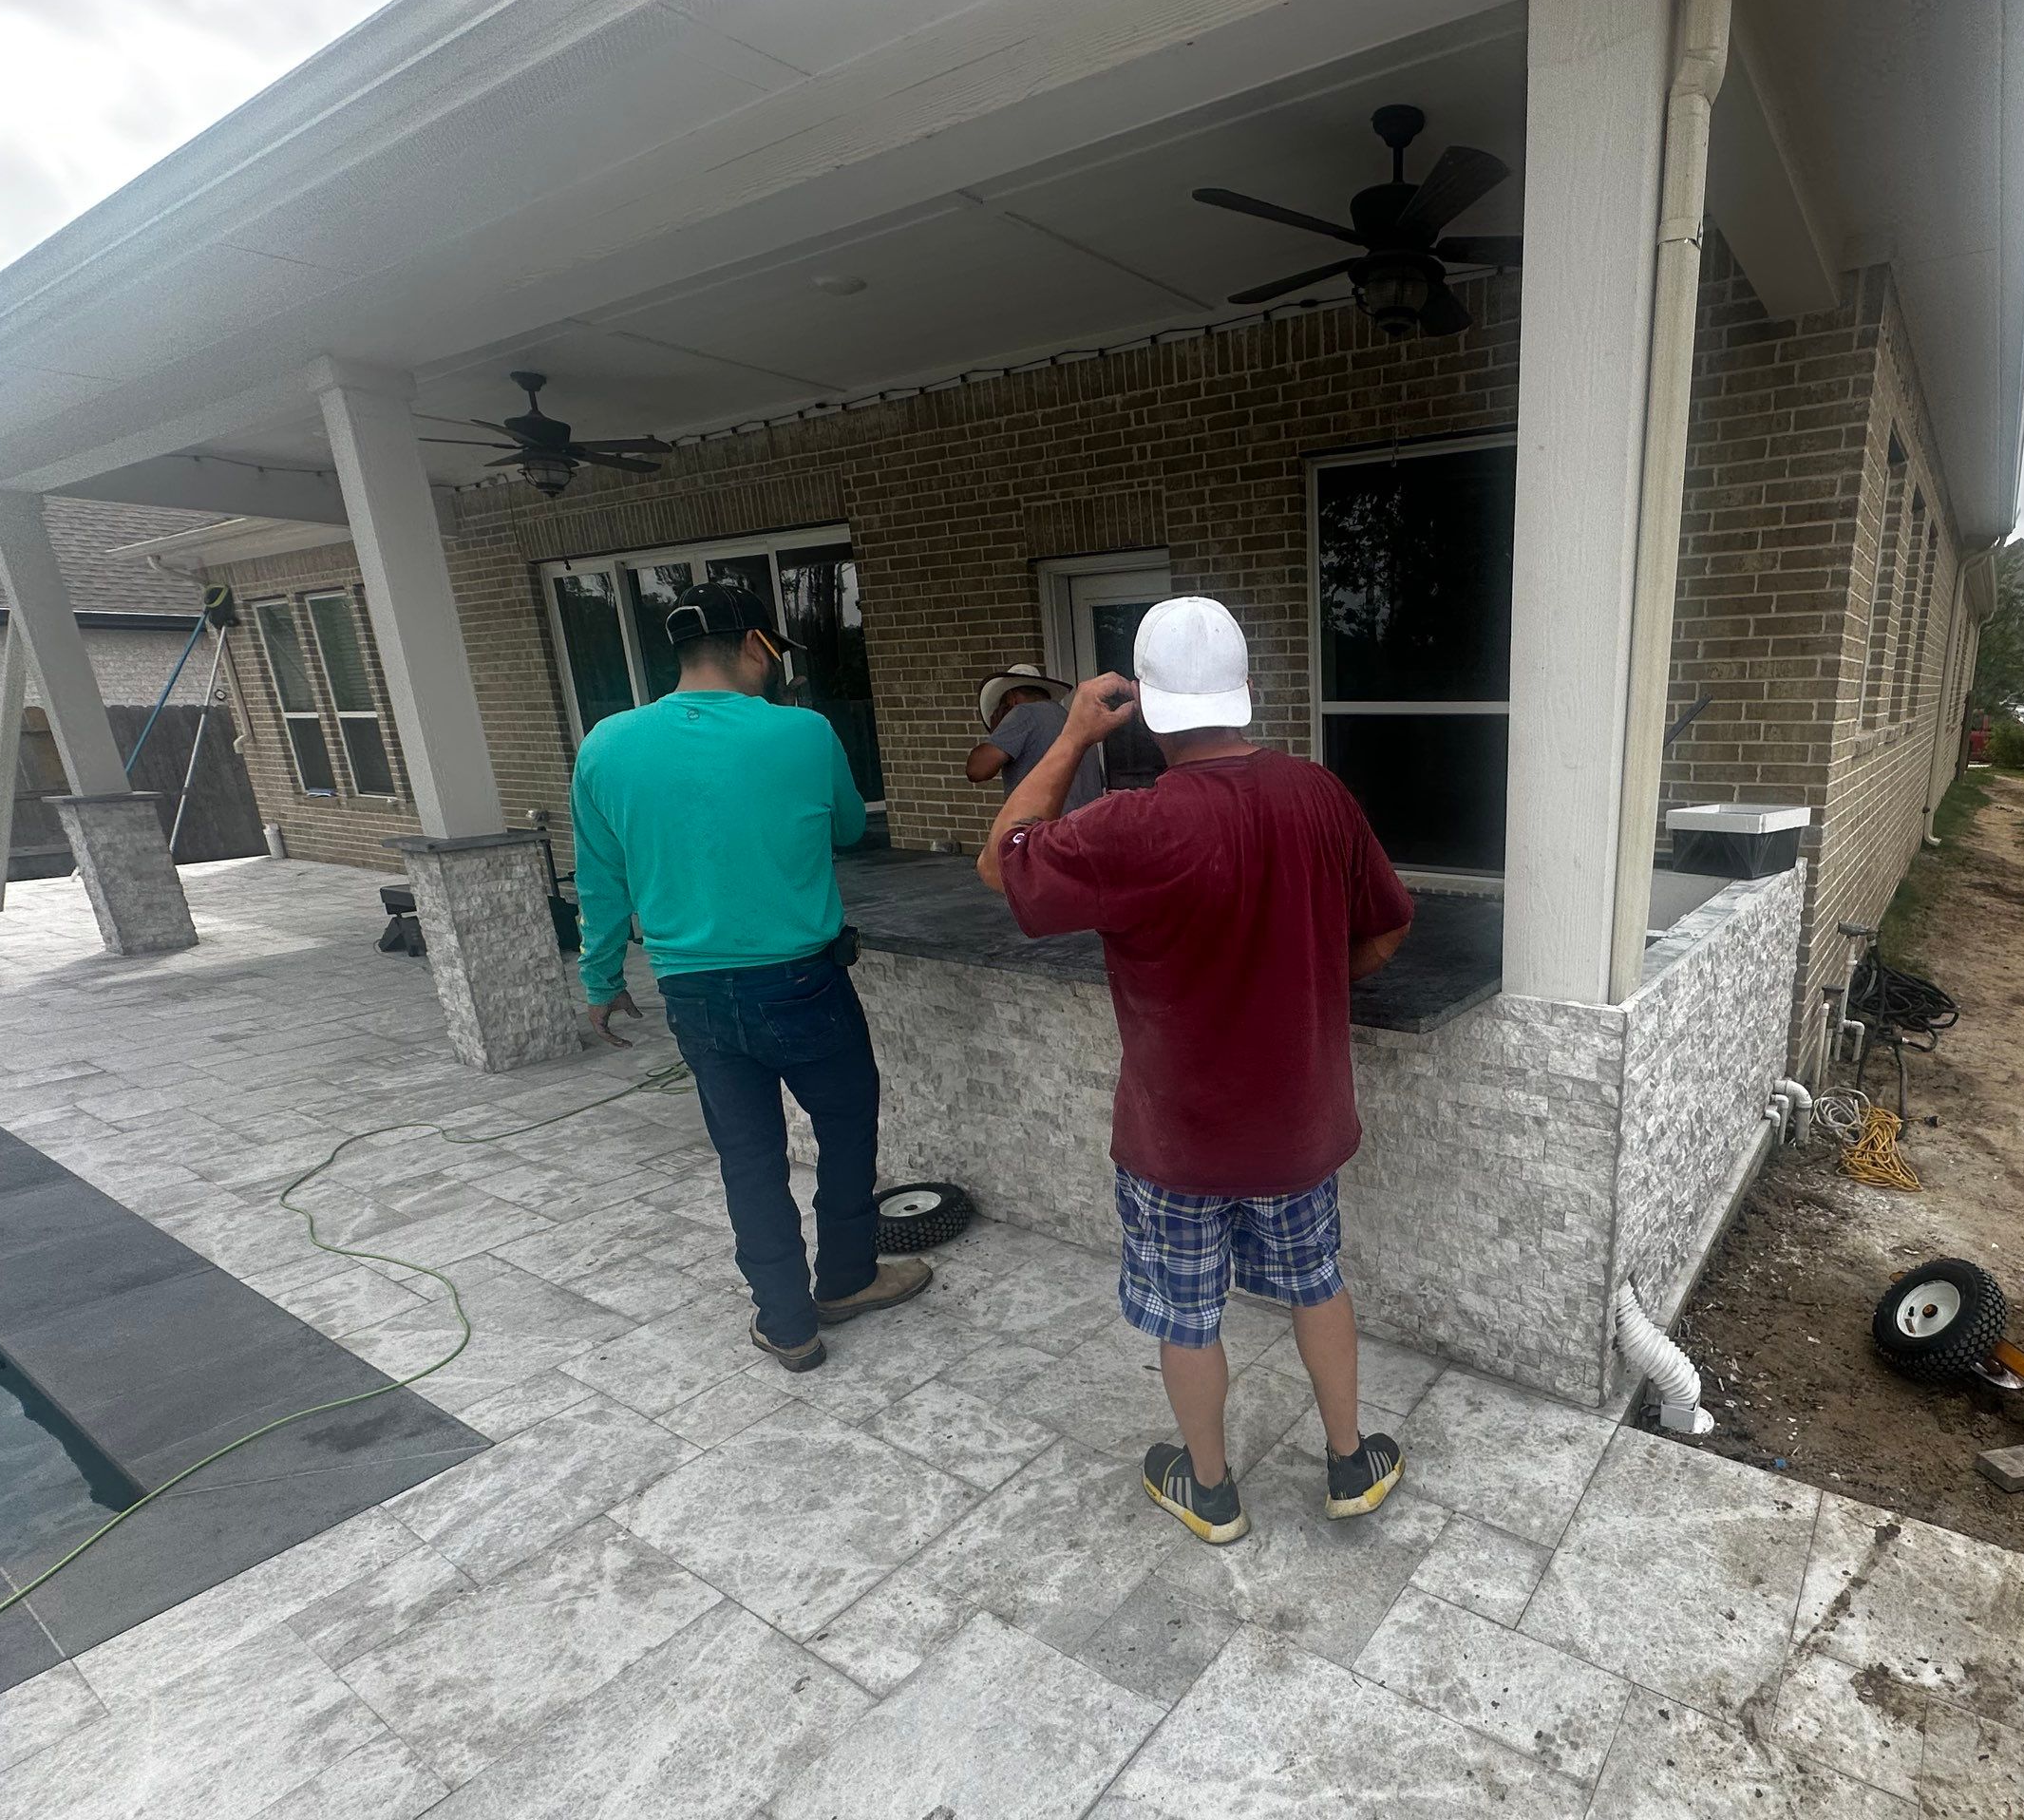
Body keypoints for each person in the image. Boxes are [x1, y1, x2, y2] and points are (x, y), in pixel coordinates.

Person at [978, 596, 1411, 1545]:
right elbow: (1385, 927)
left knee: (1187, 1313)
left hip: (1175, 1139)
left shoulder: (1128, 827)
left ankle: (1210, 1490)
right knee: (1315, 1280)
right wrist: (1309, 978)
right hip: (1296, 1127)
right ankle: (1349, 1463)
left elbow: (1000, 863)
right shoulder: (1319, 795)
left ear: (1145, 702)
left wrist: (1069, 736)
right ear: (1245, 689)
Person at [571, 580, 930, 1372]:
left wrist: (600, 980)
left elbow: (600, 881)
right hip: (802, 982)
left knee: (749, 1157)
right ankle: (847, 1278)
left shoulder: (605, 745)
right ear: (753, 646)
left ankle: (787, 1323)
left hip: (693, 991)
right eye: (773, 652)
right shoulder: (803, 732)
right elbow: (847, 827)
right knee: (845, 1130)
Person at [966, 664, 1104, 813]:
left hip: (1044, 826)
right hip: (1086, 823)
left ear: (1011, 699)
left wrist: (997, 733)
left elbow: (977, 770)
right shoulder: (1075, 722)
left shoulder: (1022, 713)